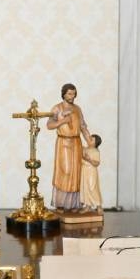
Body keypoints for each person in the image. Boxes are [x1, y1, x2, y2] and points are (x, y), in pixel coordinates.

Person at [46, 83, 91, 211]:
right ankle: (61, 203)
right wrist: (62, 121)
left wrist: (90, 142)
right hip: (64, 142)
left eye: (74, 94)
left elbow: (83, 126)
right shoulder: (57, 108)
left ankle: (73, 205)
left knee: (76, 172)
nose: (72, 96)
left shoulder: (77, 109)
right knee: (65, 171)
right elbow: (49, 125)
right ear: (64, 94)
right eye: (70, 94)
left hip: (76, 142)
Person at [79, 133, 102, 212]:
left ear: (96, 143)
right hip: (84, 171)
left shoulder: (96, 151)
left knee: (92, 188)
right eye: (89, 138)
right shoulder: (85, 149)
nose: (89, 140)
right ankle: (87, 206)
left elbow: (97, 163)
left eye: (91, 140)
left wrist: (89, 160)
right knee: (85, 188)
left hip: (91, 172)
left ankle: (99, 206)